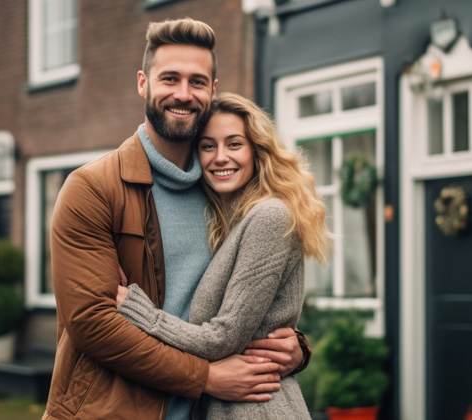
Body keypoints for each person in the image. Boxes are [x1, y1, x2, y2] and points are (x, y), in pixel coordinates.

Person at [42, 18, 310, 420]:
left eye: (197, 82)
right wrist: (205, 377)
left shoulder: (226, 194)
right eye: (169, 79)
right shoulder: (93, 188)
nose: (183, 94)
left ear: (213, 91)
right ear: (142, 83)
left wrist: (295, 348)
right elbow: (93, 325)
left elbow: (247, 304)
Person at [115, 92, 329, 419]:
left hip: (259, 408)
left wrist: (136, 308)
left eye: (234, 144)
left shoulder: (269, 217)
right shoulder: (233, 221)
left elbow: (222, 338)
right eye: (208, 146)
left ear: (257, 150)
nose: (220, 157)